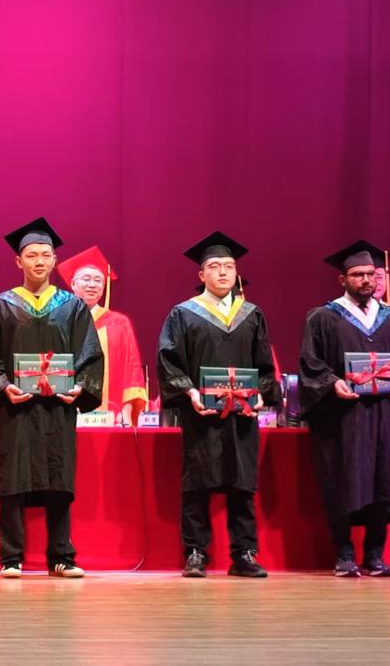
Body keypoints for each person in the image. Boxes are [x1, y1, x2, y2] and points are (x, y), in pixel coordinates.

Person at [0, 218, 104, 579]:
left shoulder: (72, 306)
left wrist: (80, 387)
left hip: (58, 409)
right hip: (16, 409)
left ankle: (62, 556)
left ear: (55, 260)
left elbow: (89, 354)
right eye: (32, 255)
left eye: (46, 255)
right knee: (13, 480)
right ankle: (11, 556)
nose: (40, 261)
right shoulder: (0, 305)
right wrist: (2, 386)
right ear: (19, 261)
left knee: (59, 480)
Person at [157, 231, 280, 579]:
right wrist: (190, 393)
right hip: (201, 414)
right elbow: (169, 361)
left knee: (243, 485)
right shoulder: (184, 314)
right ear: (201, 274)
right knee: (197, 484)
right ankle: (196, 553)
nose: (223, 272)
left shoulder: (251, 314)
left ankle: (245, 554)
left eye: (229, 266)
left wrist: (261, 393)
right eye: (214, 266)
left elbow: (265, 366)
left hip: (242, 415)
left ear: (236, 272)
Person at [299, 241, 390, 577]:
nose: (366, 280)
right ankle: (344, 554)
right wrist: (332, 382)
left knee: (382, 479)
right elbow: (310, 364)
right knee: (341, 480)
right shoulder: (323, 317)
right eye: (357, 274)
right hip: (341, 417)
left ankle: (375, 555)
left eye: (370, 274)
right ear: (342, 279)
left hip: (383, 415)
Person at [57, 245, 146, 425]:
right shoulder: (59, 321)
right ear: (73, 284)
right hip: (64, 412)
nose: (92, 285)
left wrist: (126, 412)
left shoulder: (119, 323)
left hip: (111, 414)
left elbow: (131, 369)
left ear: (104, 286)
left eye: (98, 280)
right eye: (86, 279)